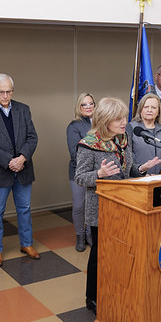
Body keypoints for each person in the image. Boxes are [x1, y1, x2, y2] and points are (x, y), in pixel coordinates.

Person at [75, 97, 161, 312]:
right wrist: (99, 174)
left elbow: (129, 169)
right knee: (100, 254)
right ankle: (92, 297)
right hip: (101, 209)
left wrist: (142, 169)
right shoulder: (89, 144)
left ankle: (114, 289)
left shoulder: (122, 139)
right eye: (118, 118)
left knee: (120, 252)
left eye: (124, 117)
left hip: (123, 205)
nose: (124, 122)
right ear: (105, 120)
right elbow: (80, 178)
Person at [0, 73, 39, 267]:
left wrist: (22, 158)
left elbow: (32, 137)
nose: (5, 96)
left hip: (23, 168)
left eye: (9, 91)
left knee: (25, 209)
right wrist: (10, 162)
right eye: (1, 92)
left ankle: (26, 244)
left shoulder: (23, 109)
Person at [66, 93, 95, 252]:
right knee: (79, 206)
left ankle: (90, 234)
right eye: (85, 104)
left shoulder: (101, 123)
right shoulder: (74, 126)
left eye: (91, 103)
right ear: (79, 107)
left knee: (92, 205)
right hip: (78, 171)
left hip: (98, 172)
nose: (89, 106)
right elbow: (74, 152)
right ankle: (80, 235)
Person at [127, 92, 161, 175]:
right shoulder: (131, 127)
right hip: (138, 179)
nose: (149, 110)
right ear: (140, 109)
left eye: (153, 107)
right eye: (146, 107)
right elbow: (127, 156)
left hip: (159, 179)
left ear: (159, 111)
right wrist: (141, 172)